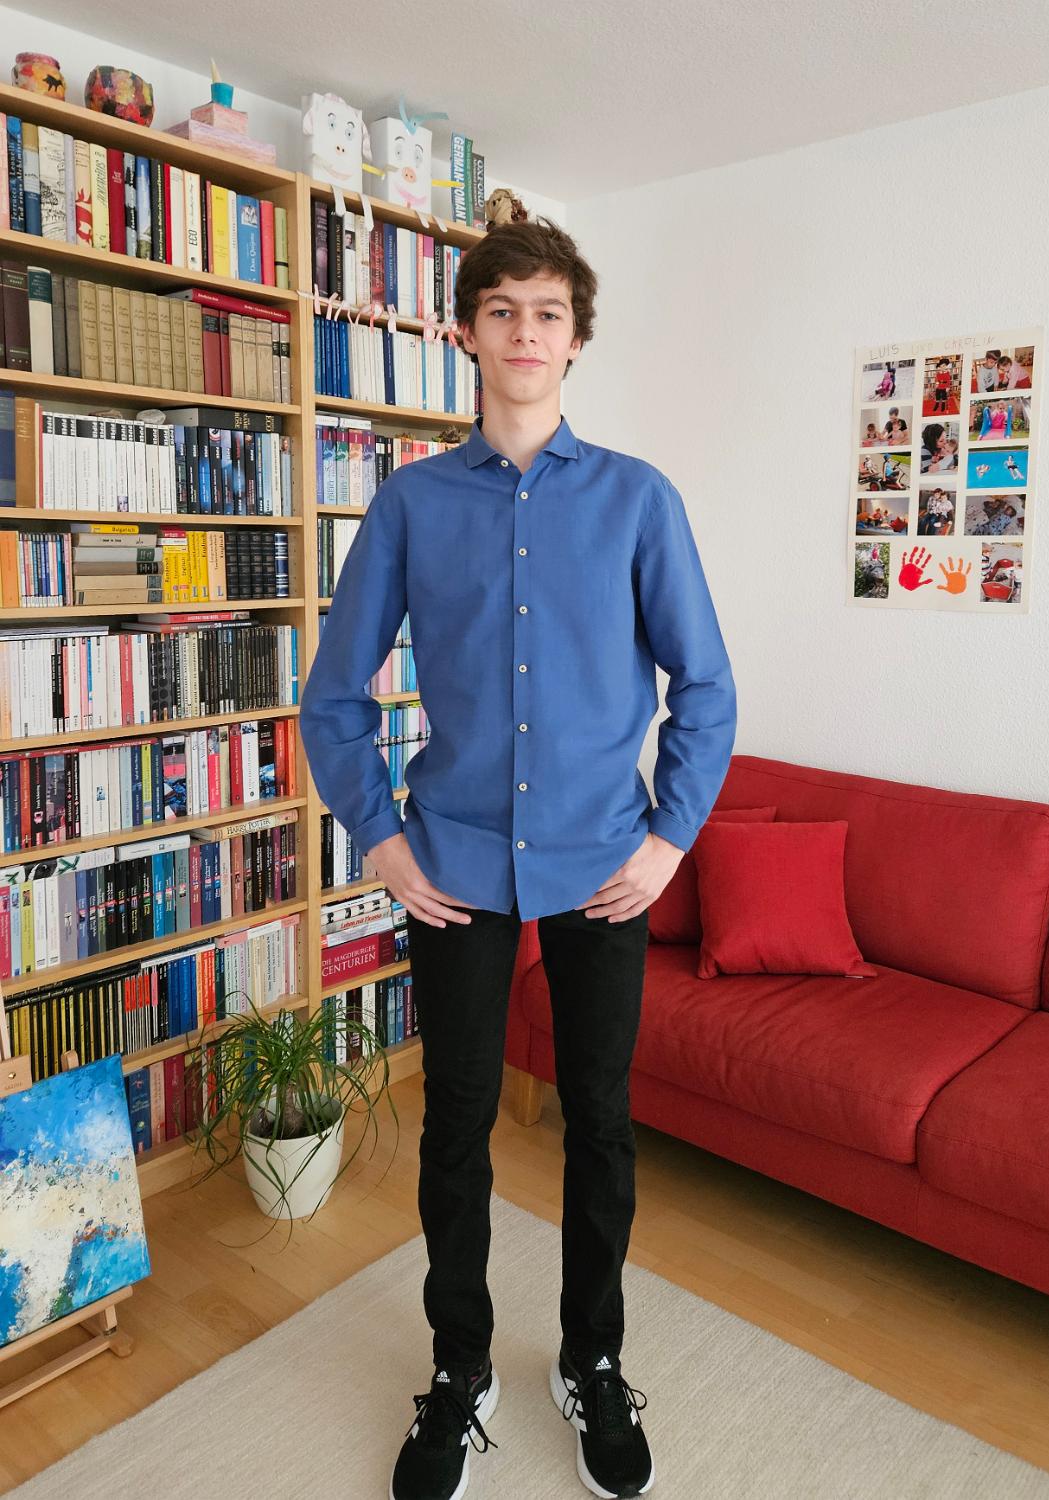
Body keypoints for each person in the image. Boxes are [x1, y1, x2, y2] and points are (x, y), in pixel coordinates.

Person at [299, 218, 737, 1500]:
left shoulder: (640, 500)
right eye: (502, 310)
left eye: (548, 312)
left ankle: (592, 1359)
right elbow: (335, 699)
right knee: (457, 1126)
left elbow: (705, 688)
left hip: (605, 865)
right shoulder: (411, 503)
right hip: (454, 866)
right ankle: (461, 1367)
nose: (526, 332)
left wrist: (670, 841)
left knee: (600, 1122)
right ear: (466, 332)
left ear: (577, 338)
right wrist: (381, 841)